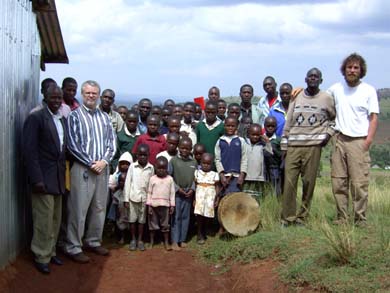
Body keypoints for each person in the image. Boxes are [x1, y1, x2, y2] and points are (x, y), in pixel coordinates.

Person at [65, 80, 116, 263]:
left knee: (99, 206)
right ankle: (73, 246)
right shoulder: (74, 116)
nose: (91, 96)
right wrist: (90, 163)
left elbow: (112, 143)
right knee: (78, 208)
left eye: (94, 93)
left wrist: (103, 161)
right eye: (87, 93)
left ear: (99, 95)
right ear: (82, 93)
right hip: (83, 168)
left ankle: (93, 240)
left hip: (102, 169)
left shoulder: (104, 117)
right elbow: (72, 144)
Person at [328, 53, 379, 226]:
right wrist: (299, 90)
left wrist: (368, 141)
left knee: (359, 183)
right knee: (339, 182)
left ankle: (360, 218)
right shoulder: (336, 88)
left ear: (361, 70)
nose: (352, 70)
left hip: (359, 141)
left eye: (356, 67)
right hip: (339, 139)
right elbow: (320, 99)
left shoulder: (368, 90)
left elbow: (373, 117)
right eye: (349, 67)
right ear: (344, 69)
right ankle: (342, 217)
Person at [281, 68, 336, 226]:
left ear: (321, 80)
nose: (313, 79)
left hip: (313, 146)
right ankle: (287, 218)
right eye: (310, 76)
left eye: (316, 77)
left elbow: (334, 120)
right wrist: (285, 146)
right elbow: (289, 121)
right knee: (289, 183)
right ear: (305, 79)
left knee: (308, 182)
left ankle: (302, 217)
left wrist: (328, 135)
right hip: (294, 145)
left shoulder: (326, 98)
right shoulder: (296, 96)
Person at [23, 85, 67, 274]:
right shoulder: (36, 117)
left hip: (57, 178)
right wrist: (36, 179)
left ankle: (50, 251)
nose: (57, 101)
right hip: (43, 178)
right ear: (45, 97)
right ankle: (41, 255)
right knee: (43, 219)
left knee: (55, 218)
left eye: (59, 98)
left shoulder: (61, 119)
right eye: (53, 98)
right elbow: (29, 151)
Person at [123, 144, 154, 251]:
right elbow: (128, 182)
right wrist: (126, 199)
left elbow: (151, 185)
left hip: (144, 199)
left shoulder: (151, 168)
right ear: (136, 155)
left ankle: (140, 240)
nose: (142, 157)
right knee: (132, 219)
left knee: (142, 220)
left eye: (144, 155)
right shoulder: (132, 167)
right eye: (140, 155)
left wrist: (150, 200)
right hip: (133, 197)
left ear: (148, 155)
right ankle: (133, 239)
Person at [170, 137, 197, 251]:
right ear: (178, 148)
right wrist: (177, 189)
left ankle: (182, 240)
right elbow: (169, 177)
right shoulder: (173, 161)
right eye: (182, 148)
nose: (184, 150)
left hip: (188, 194)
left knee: (186, 217)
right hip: (177, 194)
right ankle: (175, 241)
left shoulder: (193, 162)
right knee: (176, 217)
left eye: (187, 148)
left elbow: (196, 178)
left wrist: (192, 189)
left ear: (191, 149)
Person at [146, 157, 175, 250]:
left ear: (167, 168)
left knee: (165, 225)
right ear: (155, 168)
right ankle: (151, 242)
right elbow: (149, 192)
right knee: (152, 225)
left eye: (163, 168)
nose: (161, 170)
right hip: (154, 205)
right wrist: (149, 205)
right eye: (159, 168)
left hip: (165, 206)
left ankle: (166, 243)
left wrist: (172, 205)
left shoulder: (170, 179)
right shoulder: (152, 179)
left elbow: (172, 193)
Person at [194, 153, 220, 244]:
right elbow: (195, 186)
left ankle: (205, 230)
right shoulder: (197, 173)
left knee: (207, 215)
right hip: (200, 196)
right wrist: (194, 199)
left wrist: (217, 198)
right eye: (204, 163)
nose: (205, 165)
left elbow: (217, 187)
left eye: (208, 164)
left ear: (212, 164)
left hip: (210, 196)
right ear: (200, 163)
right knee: (199, 215)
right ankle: (199, 233)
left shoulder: (214, 174)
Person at [242, 123, 272, 201]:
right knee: (246, 198)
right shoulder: (244, 144)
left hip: (258, 177)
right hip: (246, 177)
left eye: (257, 135)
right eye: (253, 134)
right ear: (248, 134)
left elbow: (269, 155)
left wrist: (267, 142)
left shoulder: (262, 146)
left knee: (256, 198)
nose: (255, 137)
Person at [264, 116, 282, 196]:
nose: (270, 128)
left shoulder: (278, 140)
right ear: (264, 126)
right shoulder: (260, 138)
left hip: (274, 167)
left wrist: (269, 144)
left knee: (275, 187)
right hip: (262, 167)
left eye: (273, 126)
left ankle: (274, 203)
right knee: (264, 187)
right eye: (268, 126)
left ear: (276, 127)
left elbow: (280, 154)